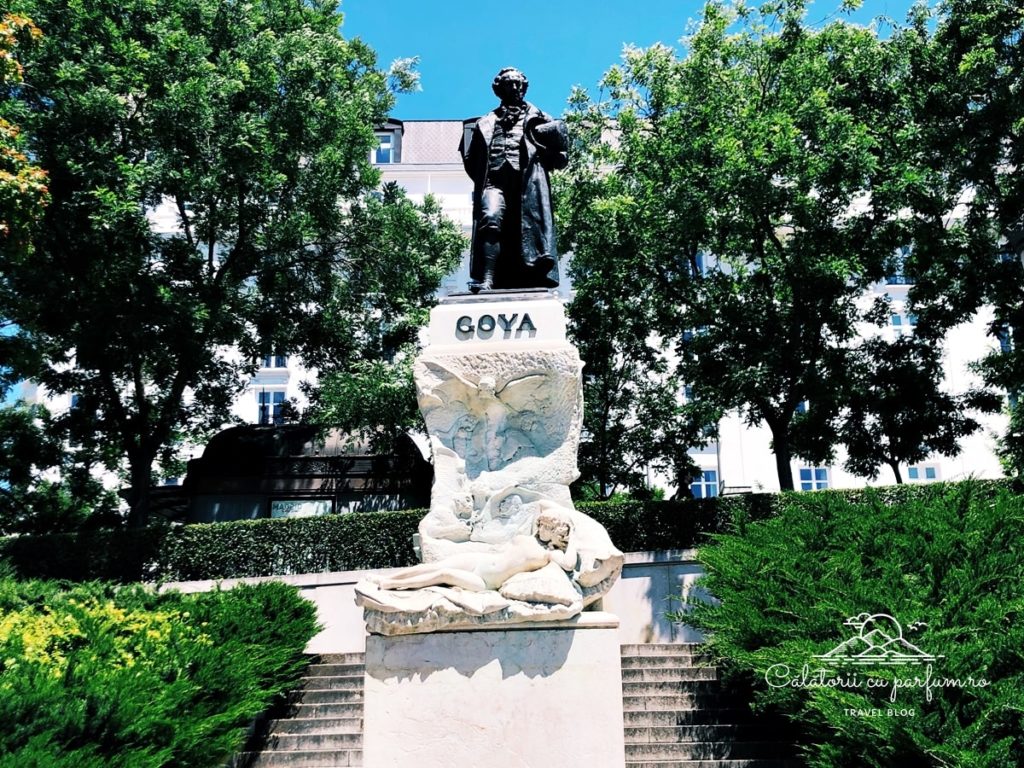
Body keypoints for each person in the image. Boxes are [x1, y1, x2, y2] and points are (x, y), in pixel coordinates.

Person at [459, 67, 568, 292]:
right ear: (499, 88)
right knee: (490, 219)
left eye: (519, 83)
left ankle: (529, 275)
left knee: (524, 227)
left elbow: (560, 157)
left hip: (526, 182)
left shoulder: (541, 118)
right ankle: (488, 279)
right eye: (509, 83)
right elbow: (472, 160)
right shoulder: (485, 122)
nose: (515, 87)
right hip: (494, 181)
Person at [375, 505, 578, 592]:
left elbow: (569, 564)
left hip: (485, 581)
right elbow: (543, 504)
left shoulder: (551, 554)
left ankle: (391, 586)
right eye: (541, 524)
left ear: (555, 531)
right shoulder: (532, 537)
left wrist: (574, 533)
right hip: (480, 560)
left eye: (546, 526)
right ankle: (389, 578)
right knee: (434, 566)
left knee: (443, 574)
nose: (540, 527)